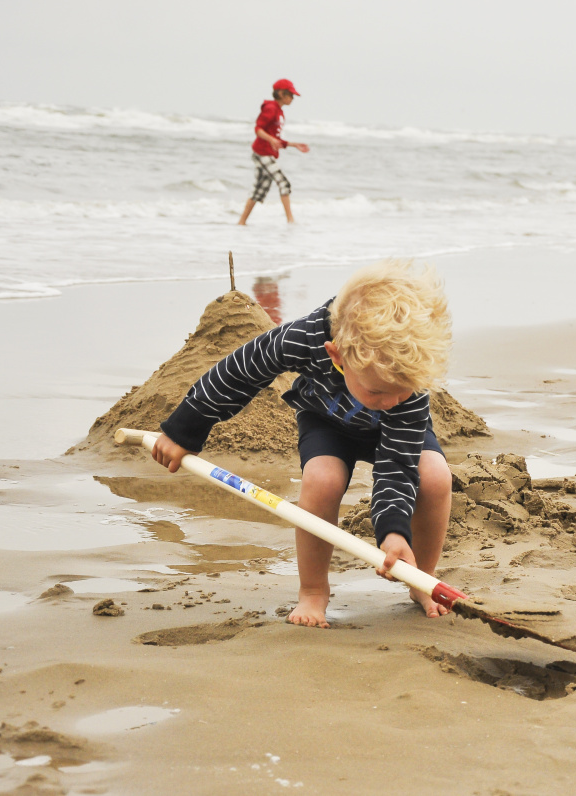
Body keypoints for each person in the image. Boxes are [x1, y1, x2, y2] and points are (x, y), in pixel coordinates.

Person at [151, 260, 454, 628]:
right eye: (377, 390)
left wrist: (392, 532)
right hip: (327, 420)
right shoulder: (304, 337)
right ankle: (313, 590)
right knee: (321, 480)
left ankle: (421, 579)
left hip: (395, 434)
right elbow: (240, 372)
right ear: (337, 355)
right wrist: (183, 431)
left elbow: (397, 465)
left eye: (401, 391)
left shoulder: (406, 394)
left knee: (435, 477)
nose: (390, 400)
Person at [237, 79, 310, 225]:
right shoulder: (270, 108)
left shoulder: (278, 110)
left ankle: (241, 222)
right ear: (282, 94)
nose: (293, 98)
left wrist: (293, 145)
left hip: (266, 153)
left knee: (260, 189)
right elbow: (258, 129)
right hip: (262, 153)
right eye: (291, 95)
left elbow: (275, 138)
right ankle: (291, 221)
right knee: (284, 183)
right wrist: (270, 139)